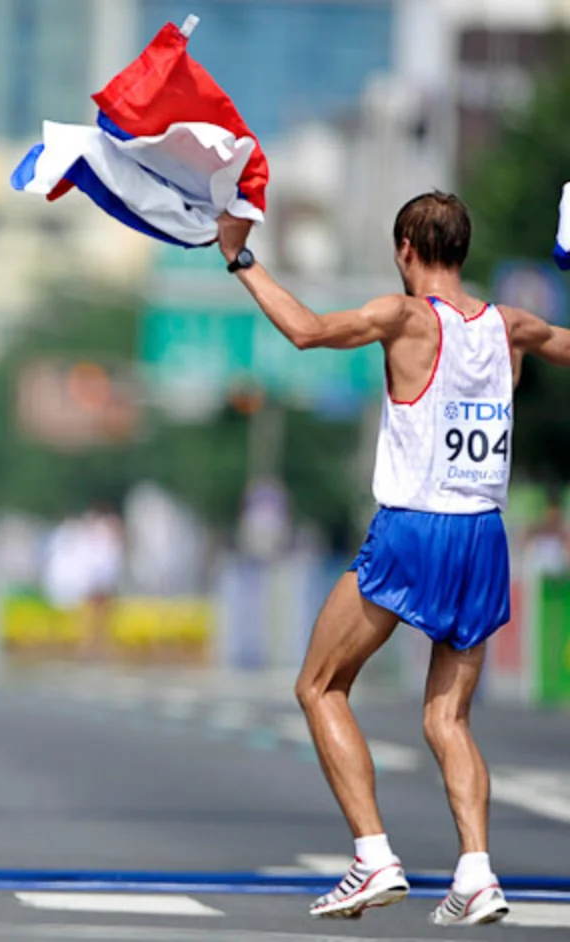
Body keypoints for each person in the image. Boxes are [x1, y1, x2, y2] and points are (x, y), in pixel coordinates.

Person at [217, 191, 570, 926]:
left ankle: (374, 856)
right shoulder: (512, 326)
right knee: (448, 719)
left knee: (320, 686)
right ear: (463, 250)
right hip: (483, 535)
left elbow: (307, 331)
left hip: (413, 527)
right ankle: (477, 872)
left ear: (406, 248)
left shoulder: (405, 317)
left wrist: (240, 258)